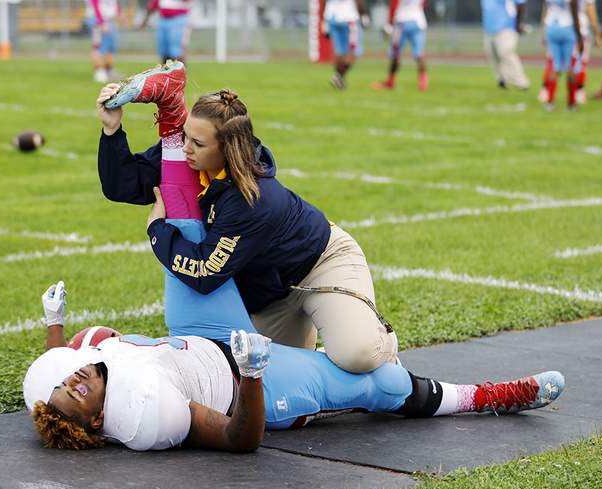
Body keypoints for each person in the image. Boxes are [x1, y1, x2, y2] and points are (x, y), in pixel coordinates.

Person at [96, 61, 398, 375]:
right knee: (261, 377)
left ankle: (384, 345)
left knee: (357, 355)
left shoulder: (252, 199)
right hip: (271, 294)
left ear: (227, 149)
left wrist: (158, 230)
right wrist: (111, 129)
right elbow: (122, 186)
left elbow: (203, 273)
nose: (184, 149)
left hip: (321, 265)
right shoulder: (193, 154)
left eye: (197, 143)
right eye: (184, 137)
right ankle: (321, 348)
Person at [23, 281, 566, 452]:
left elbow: (57, 363)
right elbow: (240, 439)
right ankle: (489, 396)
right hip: (249, 378)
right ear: (99, 419)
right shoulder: (147, 412)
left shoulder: (84, 360)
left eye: (69, 382)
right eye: (78, 393)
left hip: (200, 337)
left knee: (185, 241)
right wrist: (254, 372)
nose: (73, 380)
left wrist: (55, 321)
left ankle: (174, 126)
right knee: (383, 383)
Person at [372, 0, 430, 92]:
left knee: (395, 54)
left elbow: (395, 2)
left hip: (401, 21)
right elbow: (424, 2)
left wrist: (389, 23)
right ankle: (423, 81)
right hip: (418, 20)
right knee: (419, 53)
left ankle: (390, 81)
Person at [538, 0, 584, 111]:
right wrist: (579, 35)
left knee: (554, 66)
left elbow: (546, 5)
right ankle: (571, 104)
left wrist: (542, 28)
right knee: (572, 67)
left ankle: (550, 102)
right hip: (568, 27)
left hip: (551, 25)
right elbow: (574, 8)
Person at [318, 0, 369, 90]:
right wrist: (364, 15)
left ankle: (339, 80)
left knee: (340, 52)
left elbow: (323, 0)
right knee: (354, 52)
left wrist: (323, 20)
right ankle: (338, 76)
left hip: (331, 16)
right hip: (349, 17)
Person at [140, 0, 201, 64]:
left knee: (177, 50)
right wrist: (146, 19)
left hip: (180, 19)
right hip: (163, 19)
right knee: (164, 50)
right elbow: (155, 1)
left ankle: (180, 76)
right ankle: (165, 76)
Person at [480, 0, 529, 91]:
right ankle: (502, 80)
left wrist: (519, 23)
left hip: (506, 28)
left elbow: (521, 2)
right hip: (489, 29)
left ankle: (521, 82)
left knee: (506, 53)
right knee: (494, 57)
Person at [82, 0, 120, 83]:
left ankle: (109, 70)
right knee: (98, 46)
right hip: (98, 18)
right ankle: (99, 71)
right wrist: (101, 21)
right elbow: (95, 2)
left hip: (107, 17)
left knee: (109, 46)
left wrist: (118, 11)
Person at [570, 0, 601, 104]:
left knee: (558, 62)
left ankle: (547, 92)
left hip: (564, 28)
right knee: (580, 62)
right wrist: (597, 33)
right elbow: (591, 12)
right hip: (581, 29)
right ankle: (579, 92)